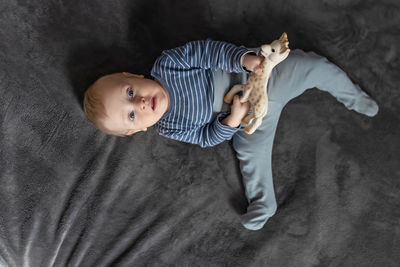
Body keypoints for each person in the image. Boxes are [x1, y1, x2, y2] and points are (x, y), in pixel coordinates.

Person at [83, 39, 379, 230]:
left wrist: (244, 61)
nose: (141, 103)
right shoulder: (169, 126)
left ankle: (353, 95)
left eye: (131, 93)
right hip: (249, 118)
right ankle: (264, 202)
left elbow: (208, 51)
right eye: (132, 114)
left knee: (314, 66)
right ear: (140, 129)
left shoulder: (168, 65)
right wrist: (232, 120)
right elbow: (206, 137)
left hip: (260, 76)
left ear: (131, 76)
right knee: (253, 156)